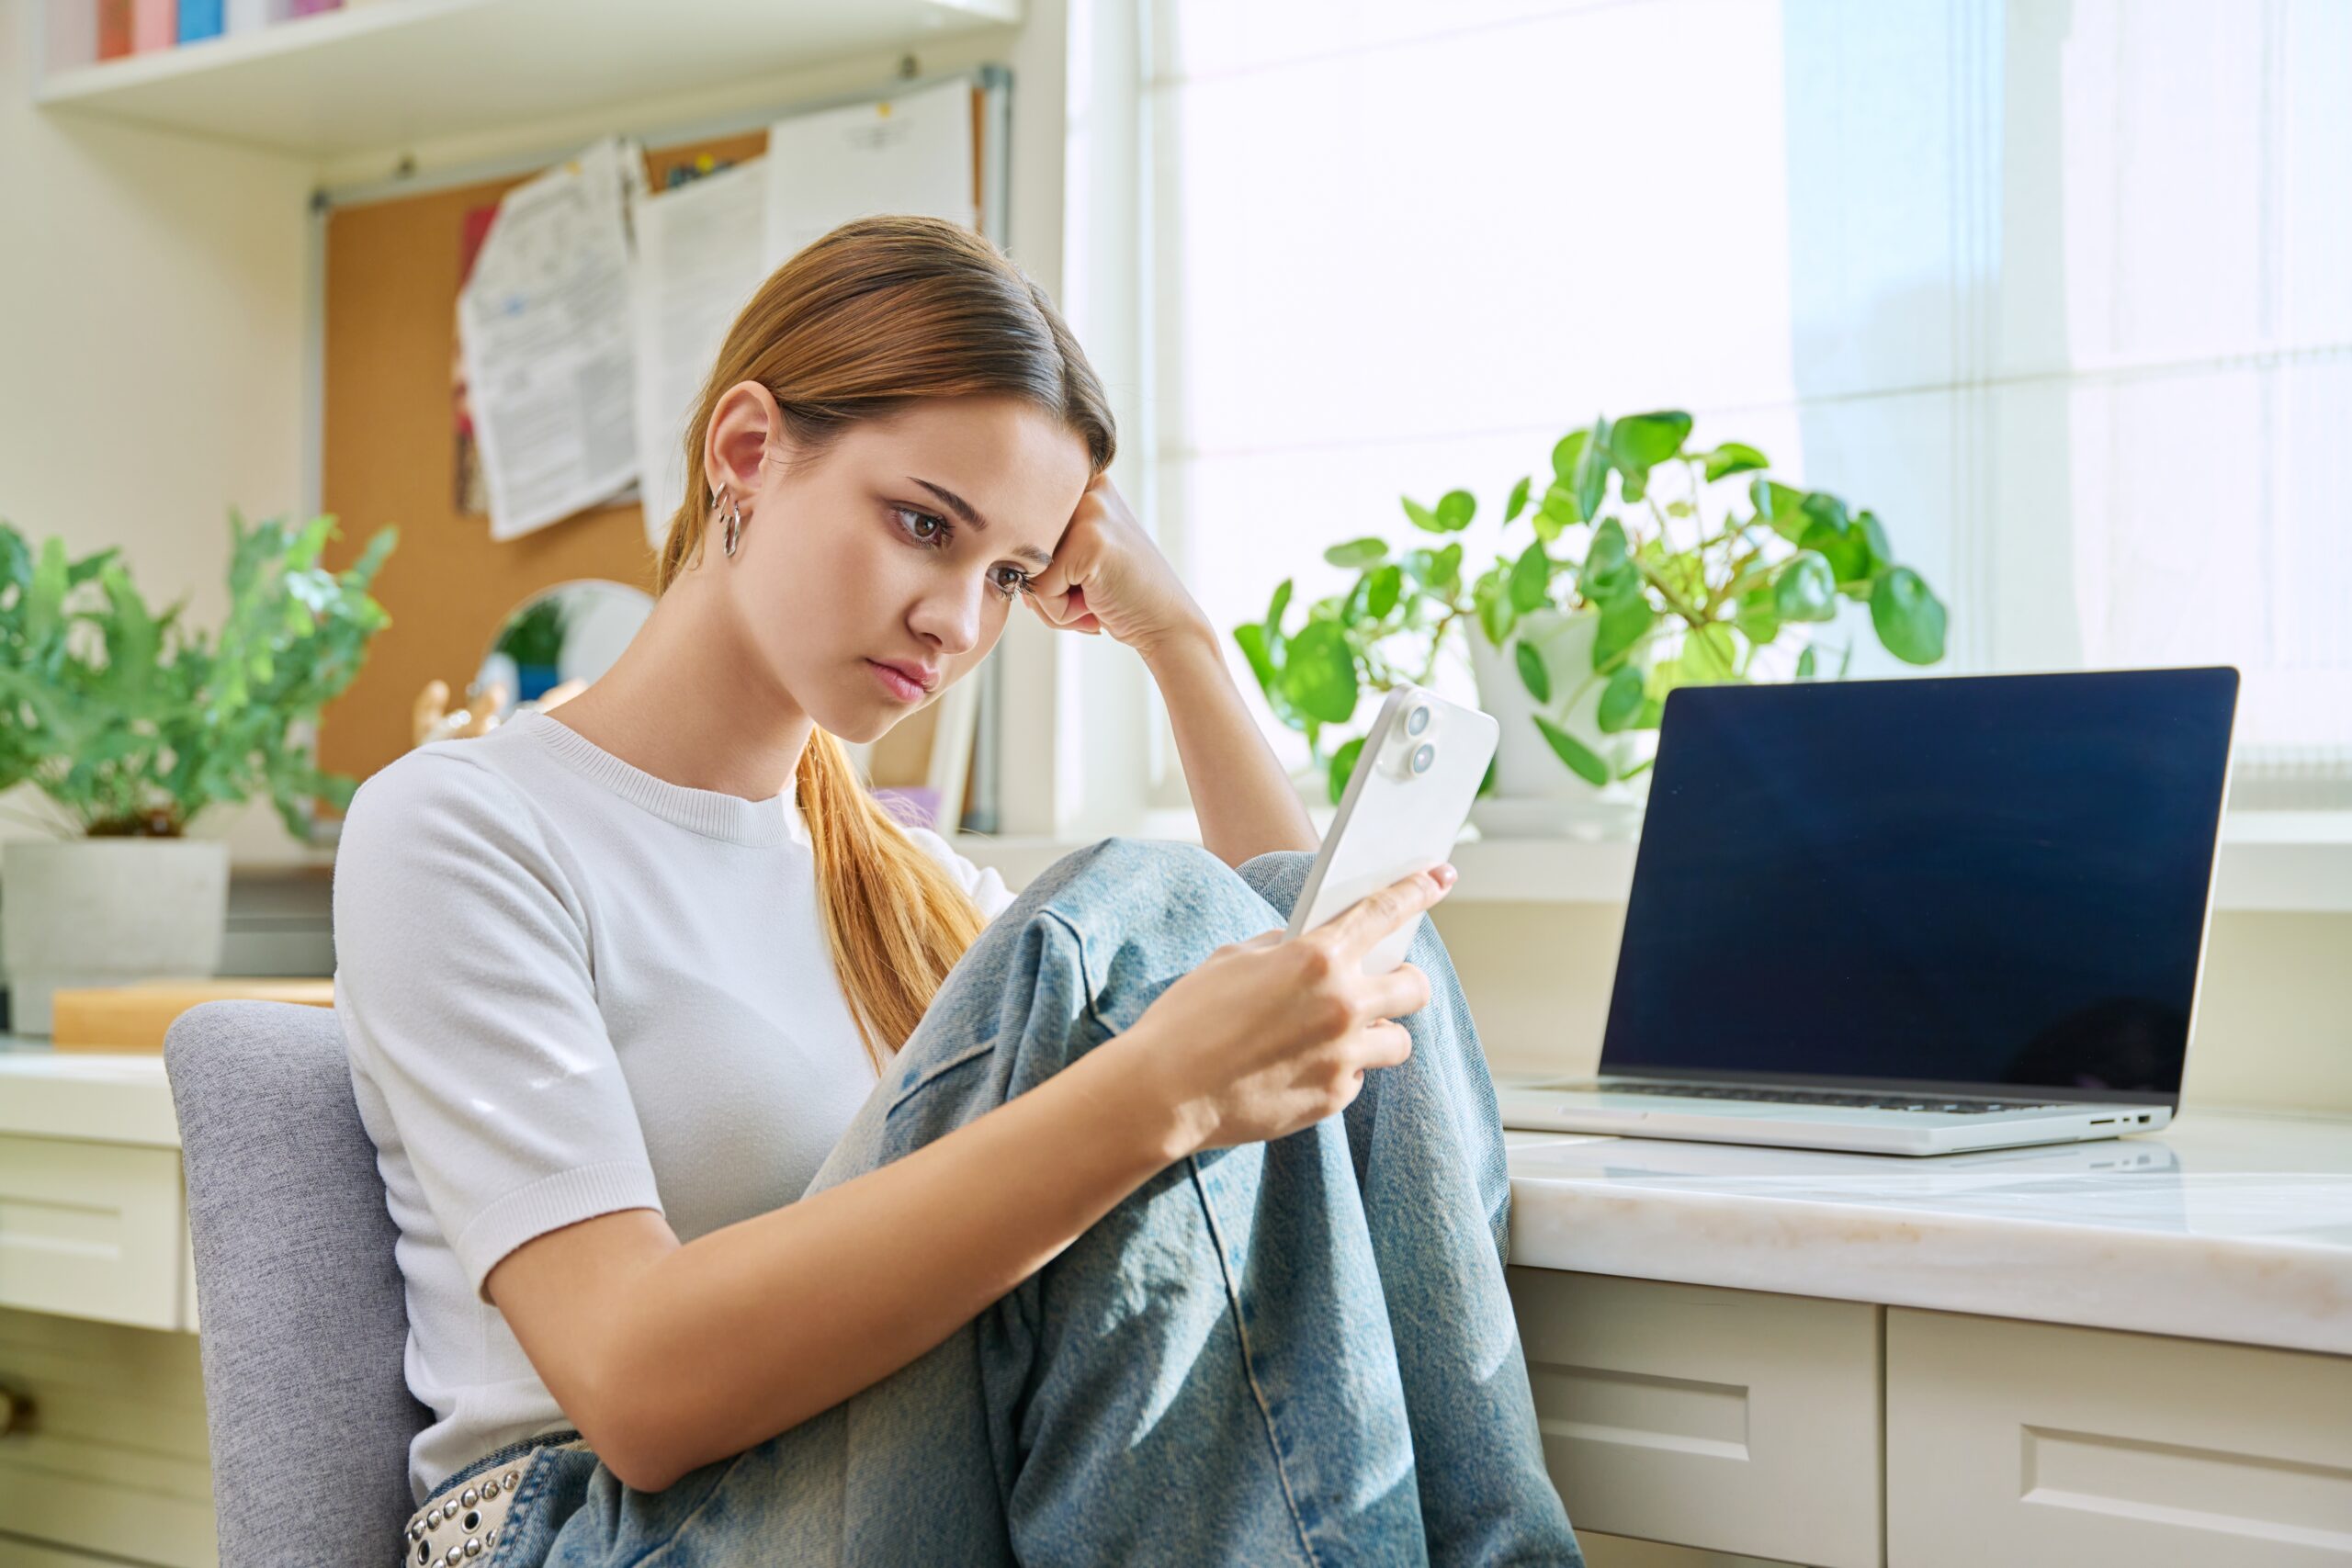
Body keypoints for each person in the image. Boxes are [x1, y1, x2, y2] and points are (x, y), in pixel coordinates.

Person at [334, 214, 1582, 1567]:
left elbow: (1306, 986)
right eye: (924, 526)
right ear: (746, 451)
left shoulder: (913, 883)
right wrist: (1157, 1093)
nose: (960, 621)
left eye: (1008, 575)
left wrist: (1175, 638)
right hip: (584, 1529)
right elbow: (633, 1387)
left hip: (880, 1485)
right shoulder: (463, 824)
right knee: (1144, 914)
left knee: (1356, 962)